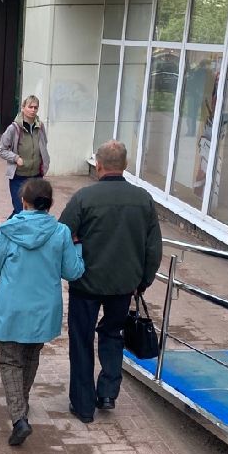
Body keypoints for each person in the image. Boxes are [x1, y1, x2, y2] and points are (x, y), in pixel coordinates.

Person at [58, 140, 163, 424]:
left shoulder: (84, 198)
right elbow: (154, 248)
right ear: (125, 166)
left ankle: (82, 405)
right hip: (124, 284)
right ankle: (107, 392)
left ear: (99, 165)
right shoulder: (143, 199)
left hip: (86, 283)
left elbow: (62, 234)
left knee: (81, 340)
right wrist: (143, 281)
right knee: (112, 333)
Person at [0, 179, 84, 446]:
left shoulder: (7, 231)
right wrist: (78, 246)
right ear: (50, 204)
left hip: (11, 307)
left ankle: (19, 417)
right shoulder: (61, 233)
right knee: (31, 355)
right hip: (44, 309)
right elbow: (73, 272)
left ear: (23, 202)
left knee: (10, 360)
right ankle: (20, 406)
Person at [0, 95, 50, 216]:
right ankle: (5, 232)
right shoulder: (14, 128)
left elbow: (44, 145)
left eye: (35, 107)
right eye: (30, 107)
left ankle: (23, 233)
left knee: (35, 211)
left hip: (36, 177)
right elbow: (1, 149)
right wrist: (15, 158)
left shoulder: (40, 127)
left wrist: (45, 164)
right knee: (20, 211)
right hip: (18, 177)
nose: (32, 110)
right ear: (23, 108)